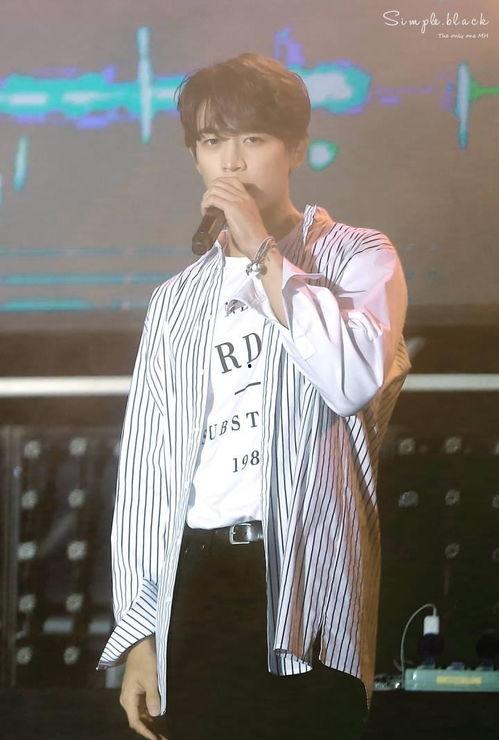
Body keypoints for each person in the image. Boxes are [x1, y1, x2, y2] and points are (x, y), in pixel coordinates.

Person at [96, 53, 411, 739]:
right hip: (201, 579)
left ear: (295, 148)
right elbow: (148, 478)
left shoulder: (358, 256)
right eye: (212, 142)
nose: (232, 163)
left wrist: (262, 250)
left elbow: (352, 379)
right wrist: (140, 634)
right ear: (195, 157)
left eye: (253, 139)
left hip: (309, 574)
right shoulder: (175, 301)